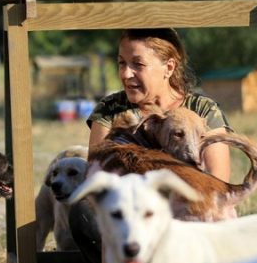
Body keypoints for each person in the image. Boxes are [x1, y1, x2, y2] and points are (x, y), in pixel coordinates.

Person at [86, 28, 232, 182]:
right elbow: (97, 178)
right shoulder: (110, 110)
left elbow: (218, 183)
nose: (125, 74)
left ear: (169, 68)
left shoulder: (202, 110)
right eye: (122, 63)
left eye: (138, 64)